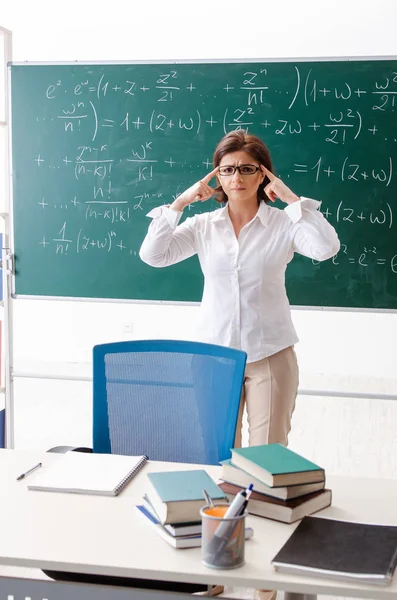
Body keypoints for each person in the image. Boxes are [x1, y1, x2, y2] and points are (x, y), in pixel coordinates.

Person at [140, 130, 340, 450]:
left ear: (263, 174)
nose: (237, 178)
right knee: (218, 453)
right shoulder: (203, 227)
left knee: (267, 457)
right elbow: (154, 255)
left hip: (270, 354)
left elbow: (326, 248)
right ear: (217, 175)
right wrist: (179, 204)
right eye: (227, 169)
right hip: (214, 355)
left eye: (247, 168)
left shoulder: (284, 224)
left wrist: (293, 201)